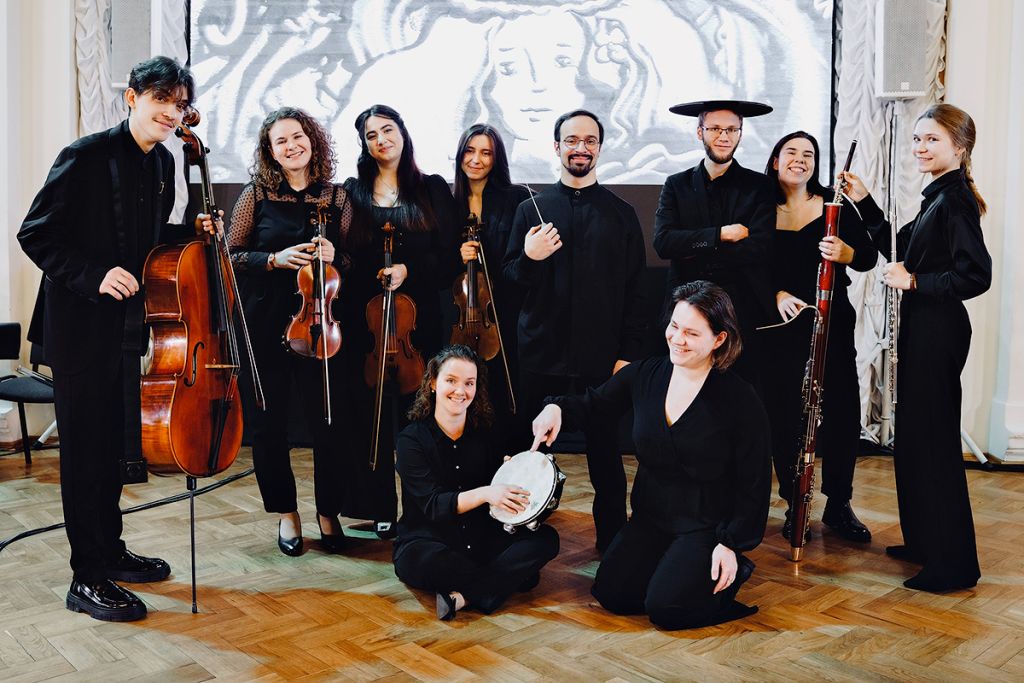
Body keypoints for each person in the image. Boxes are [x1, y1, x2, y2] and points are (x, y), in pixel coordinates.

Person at [18, 56, 218, 622]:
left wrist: (189, 231)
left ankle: (109, 551)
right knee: (85, 454)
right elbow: (36, 234)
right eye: (161, 100)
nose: (172, 113)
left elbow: (143, 242)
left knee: (110, 449)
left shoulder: (163, 162)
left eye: (179, 104)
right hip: (78, 327)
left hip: (125, 329)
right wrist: (95, 275)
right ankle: (86, 578)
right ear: (132, 98)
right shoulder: (84, 156)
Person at [532, 281, 771, 630]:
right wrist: (556, 408)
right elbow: (594, 404)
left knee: (665, 609)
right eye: (674, 326)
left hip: (705, 527)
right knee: (613, 594)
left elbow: (754, 482)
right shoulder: (646, 374)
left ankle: (723, 574)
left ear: (719, 339)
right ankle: (673, 570)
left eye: (691, 333)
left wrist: (731, 544)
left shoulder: (740, 399)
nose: (677, 339)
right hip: (651, 518)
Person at [841, 104, 991, 592]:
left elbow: (976, 275)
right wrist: (864, 201)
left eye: (933, 140)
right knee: (914, 439)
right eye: (918, 139)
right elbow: (898, 245)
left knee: (933, 444)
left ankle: (954, 565)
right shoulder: (937, 196)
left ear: (959, 148)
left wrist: (915, 282)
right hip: (924, 326)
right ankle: (925, 541)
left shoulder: (955, 201)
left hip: (939, 330)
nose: (921, 148)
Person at [503, 109, 647, 552]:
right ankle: (520, 542)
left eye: (589, 140)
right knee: (529, 453)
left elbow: (637, 292)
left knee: (606, 459)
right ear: (556, 147)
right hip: (540, 356)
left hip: (600, 361)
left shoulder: (622, 214)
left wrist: (626, 355)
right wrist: (529, 257)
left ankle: (613, 546)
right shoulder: (529, 210)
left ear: (599, 147)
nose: (580, 148)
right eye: (571, 140)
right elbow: (509, 283)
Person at [227, 107, 352, 556]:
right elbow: (231, 255)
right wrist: (273, 260)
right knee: (268, 424)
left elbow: (351, 262)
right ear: (271, 152)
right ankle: (286, 513)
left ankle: (328, 512)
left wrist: (336, 255)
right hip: (264, 323)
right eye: (280, 141)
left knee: (329, 422)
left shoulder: (336, 198)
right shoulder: (256, 195)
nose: (291, 146)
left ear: (312, 140)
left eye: (297, 136)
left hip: (320, 325)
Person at [339, 104, 459, 535]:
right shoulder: (353, 192)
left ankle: (421, 508)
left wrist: (410, 270)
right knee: (368, 419)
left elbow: (449, 259)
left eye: (387, 130)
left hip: (418, 322)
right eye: (371, 135)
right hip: (367, 321)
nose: (381, 140)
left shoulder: (432, 188)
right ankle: (378, 508)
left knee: (419, 417)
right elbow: (346, 256)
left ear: (403, 134)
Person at [761, 131, 877, 543]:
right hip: (781, 326)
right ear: (776, 160)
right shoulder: (759, 208)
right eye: (791, 152)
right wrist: (775, 294)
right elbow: (749, 267)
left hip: (832, 320)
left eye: (808, 154)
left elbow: (868, 257)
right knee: (785, 414)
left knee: (842, 410)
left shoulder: (834, 204)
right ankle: (795, 501)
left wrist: (847, 253)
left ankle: (839, 503)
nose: (800, 159)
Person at [393, 345, 560, 621]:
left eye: (469, 383)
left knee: (546, 539)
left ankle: (463, 597)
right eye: (451, 380)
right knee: (429, 563)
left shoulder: (486, 432)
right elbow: (433, 505)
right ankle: (500, 581)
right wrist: (486, 493)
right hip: (430, 541)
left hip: (481, 537)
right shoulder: (411, 440)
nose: (460, 391)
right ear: (433, 382)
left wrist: (510, 473)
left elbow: (501, 489)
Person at [653, 99, 776, 387]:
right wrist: (720, 235)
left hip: (741, 311)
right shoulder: (676, 185)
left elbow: (759, 248)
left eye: (732, 130)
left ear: (740, 134)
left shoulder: (760, 187)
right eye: (715, 129)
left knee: (740, 393)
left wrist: (692, 248)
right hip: (686, 309)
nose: (724, 136)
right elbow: (663, 243)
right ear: (700, 132)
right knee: (684, 389)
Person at [452, 123, 531, 452]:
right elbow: (438, 258)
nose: (476, 159)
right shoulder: (450, 202)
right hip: (464, 314)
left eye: (486, 153)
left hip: (506, 310)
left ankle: (512, 457)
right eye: (470, 151)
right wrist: (457, 255)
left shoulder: (517, 198)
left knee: (506, 389)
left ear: (497, 159)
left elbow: (523, 258)